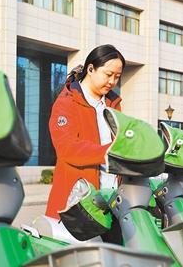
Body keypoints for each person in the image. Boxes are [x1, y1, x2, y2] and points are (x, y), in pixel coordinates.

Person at [45, 45, 125, 219]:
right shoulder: (67, 103)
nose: (112, 81)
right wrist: (109, 153)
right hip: (77, 205)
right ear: (90, 69)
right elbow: (67, 148)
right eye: (108, 74)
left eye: (117, 77)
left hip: (111, 202)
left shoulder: (113, 104)